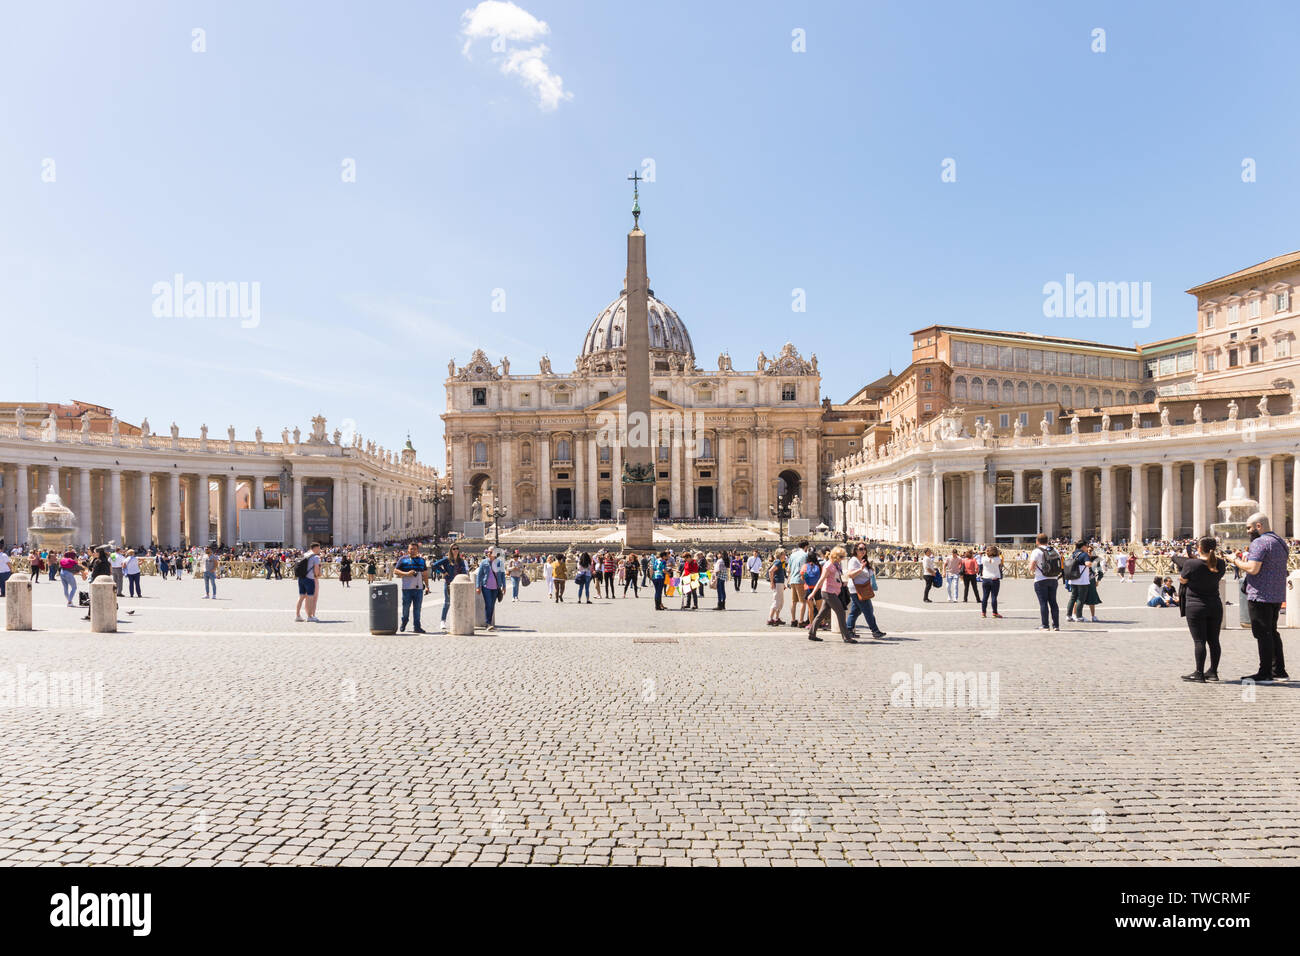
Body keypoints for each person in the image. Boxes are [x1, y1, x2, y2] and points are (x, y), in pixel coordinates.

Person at [1230, 512, 1289, 683]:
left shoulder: (1259, 542)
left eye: (1249, 528)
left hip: (1260, 595)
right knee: (1272, 632)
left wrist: (1235, 561)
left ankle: (1265, 673)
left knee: (1262, 634)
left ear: (1258, 526)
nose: (1248, 531)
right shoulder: (1280, 541)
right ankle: (1279, 670)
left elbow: (1253, 568)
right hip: (1277, 594)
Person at [1178, 537, 1226, 682]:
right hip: (1215, 605)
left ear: (1199, 548)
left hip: (1196, 605)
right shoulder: (1221, 563)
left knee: (1199, 641)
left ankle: (1199, 673)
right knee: (1214, 640)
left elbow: (1183, 580)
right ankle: (1213, 672)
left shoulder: (1191, 564)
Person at [807, 545, 856, 643]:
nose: (842, 559)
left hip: (834, 591)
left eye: (843, 557)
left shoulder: (836, 564)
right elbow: (821, 579)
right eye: (841, 557)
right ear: (835, 556)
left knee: (822, 614)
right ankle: (846, 637)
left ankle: (812, 634)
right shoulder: (828, 565)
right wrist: (813, 593)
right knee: (841, 612)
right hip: (828, 592)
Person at [844, 542, 886, 638]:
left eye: (864, 549)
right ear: (855, 550)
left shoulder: (862, 560)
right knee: (868, 610)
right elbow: (850, 575)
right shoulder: (853, 560)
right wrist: (861, 568)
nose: (863, 551)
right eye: (860, 549)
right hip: (857, 589)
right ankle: (875, 631)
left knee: (856, 611)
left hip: (863, 588)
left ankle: (848, 630)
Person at [430, 545, 469, 631]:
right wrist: (443, 572)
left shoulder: (461, 561)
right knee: (447, 603)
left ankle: (458, 621)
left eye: (457, 549)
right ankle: (442, 621)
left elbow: (464, 571)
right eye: (454, 549)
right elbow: (434, 565)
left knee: (459, 603)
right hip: (448, 583)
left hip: (459, 584)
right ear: (451, 550)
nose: (455, 550)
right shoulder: (446, 559)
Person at [1029, 533, 1061, 631]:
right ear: (1047, 541)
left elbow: (1032, 566)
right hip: (1053, 579)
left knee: (1043, 603)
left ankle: (1045, 625)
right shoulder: (1054, 550)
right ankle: (1056, 625)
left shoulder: (1036, 551)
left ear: (1037, 541)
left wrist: (1031, 571)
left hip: (1040, 579)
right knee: (1053, 602)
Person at [395, 543, 429, 633]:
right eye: (411, 549)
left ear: (417, 550)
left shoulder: (422, 560)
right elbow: (395, 570)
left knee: (417, 608)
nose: (412, 550)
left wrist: (427, 587)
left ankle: (417, 627)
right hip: (407, 588)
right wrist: (407, 574)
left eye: (414, 549)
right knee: (406, 608)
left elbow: (425, 574)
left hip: (419, 588)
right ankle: (404, 621)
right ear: (408, 550)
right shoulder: (403, 559)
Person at [1065, 540, 1100, 623]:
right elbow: (1088, 564)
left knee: (1073, 598)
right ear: (1083, 546)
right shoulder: (1084, 554)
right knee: (1081, 598)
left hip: (1073, 578)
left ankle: (1069, 615)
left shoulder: (1074, 553)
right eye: (1086, 546)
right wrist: (1093, 563)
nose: (1087, 548)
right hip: (1082, 580)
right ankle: (1079, 616)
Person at [294, 542, 322, 622]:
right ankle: (310, 616)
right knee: (310, 597)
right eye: (319, 548)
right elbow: (316, 570)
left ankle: (298, 615)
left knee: (301, 597)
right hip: (309, 579)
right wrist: (317, 575)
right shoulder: (316, 557)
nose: (319, 550)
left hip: (301, 578)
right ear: (315, 548)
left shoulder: (305, 554)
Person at [475, 547, 501, 631]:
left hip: (496, 587)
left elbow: (501, 575)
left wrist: (503, 586)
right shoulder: (484, 562)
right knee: (488, 604)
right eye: (488, 552)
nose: (488, 553)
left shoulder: (499, 562)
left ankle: (489, 623)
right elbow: (479, 575)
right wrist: (478, 586)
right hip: (486, 586)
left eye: (491, 552)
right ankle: (488, 623)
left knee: (492, 605)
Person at [787, 541, 809, 628]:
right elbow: (804, 569)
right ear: (806, 546)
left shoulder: (792, 555)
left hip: (792, 579)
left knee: (793, 601)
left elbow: (788, 569)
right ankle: (801, 621)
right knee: (803, 602)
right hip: (800, 579)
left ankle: (793, 620)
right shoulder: (805, 555)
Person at [979, 544, 1004, 618]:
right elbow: (1000, 557)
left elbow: (984, 556)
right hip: (994, 579)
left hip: (985, 579)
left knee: (985, 597)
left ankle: (983, 613)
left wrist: (985, 552)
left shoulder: (983, 558)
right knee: (994, 597)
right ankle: (994, 613)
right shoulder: (998, 559)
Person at [767, 548, 787, 626]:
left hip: (780, 583)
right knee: (776, 601)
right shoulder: (778, 562)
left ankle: (776, 618)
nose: (785, 555)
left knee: (781, 602)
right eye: (784, 554)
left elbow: (779, 574)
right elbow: (771, 571)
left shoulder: (781, 562)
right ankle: (770, 618)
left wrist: (783, 584)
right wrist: (772, 582)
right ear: (780, 555)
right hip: (778, 583)